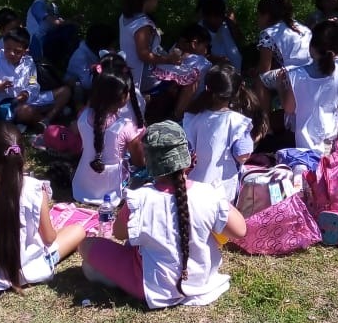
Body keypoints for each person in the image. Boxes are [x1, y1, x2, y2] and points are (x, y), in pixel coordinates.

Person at [78, 121, 247, 309]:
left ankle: (113, 279)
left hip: (152, 286)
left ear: (148, 160)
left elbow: (119, 233)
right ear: (187, 158)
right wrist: (219, 199)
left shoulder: (139, 198)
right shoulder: (207, 194)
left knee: (86, 245)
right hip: (202, 282)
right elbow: (240, 230)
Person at [0, 121, 86, 303]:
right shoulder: (34, 189)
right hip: (28, 269)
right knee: (77, 230)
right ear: (23, 154)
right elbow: (49, 239)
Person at [276, 20, 338, 154]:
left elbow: (289, 108)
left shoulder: (296, 75)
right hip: (331, 133)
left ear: (311, 46)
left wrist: (280, 87)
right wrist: (332, 31)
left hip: (305, 141)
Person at [183, 64, 261, 202]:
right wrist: (257, 138)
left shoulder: (193, 117)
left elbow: (185, 152)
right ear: (236, 91)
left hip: (195, 184)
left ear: (207, 88)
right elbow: (243, 155)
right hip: (223, 187)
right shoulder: (238, 122)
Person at [72, 66, 146, 206]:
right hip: (111, 189)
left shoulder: (83, 116)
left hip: (82, 184)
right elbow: (139, 162)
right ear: (122, 98)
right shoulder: (126, 126)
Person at [0, 27, 71, 130]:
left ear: (25, 51)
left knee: (65, 91)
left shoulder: (29, 62)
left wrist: (26, 93)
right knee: (26, 111)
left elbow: (33, 83)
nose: (11, 53)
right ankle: (48, 125)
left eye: (17, 51)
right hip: (7, 106)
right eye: (7, 49)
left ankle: (47, 119)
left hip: (28, 99)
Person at [119, 0, 182, 93]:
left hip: (127, 72)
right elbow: (144, 55)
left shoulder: (124, 17)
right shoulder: (142, 24)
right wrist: (169, 60)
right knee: (188, 75)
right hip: (142, 78)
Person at [152, 23, 214, 121]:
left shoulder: (172, 55)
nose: (207, 51)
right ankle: (177, 117)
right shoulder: (201, 62)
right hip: (191, 108)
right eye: (206, 46)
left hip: (167, 98)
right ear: (194, 44)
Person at [256, 0, 313, 73]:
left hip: (296, 75)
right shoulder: (299, 26)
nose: (257, 20)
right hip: (315, 70)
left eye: (258, 15)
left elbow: (264, 70)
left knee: (261, 78)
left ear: (266, 16)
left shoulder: (267, 34)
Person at [26, 0, 79, 65]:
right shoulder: (38, 4)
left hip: (50, 36)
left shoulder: (53, 6)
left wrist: (73, 19)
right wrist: (71, 22)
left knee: (70, 30)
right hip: (38, 39)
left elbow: (60, 22)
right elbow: (55, 22)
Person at [64, 22, 116, 97]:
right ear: (101, 46)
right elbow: (87, 84)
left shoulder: (94, 51)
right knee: (78, 87)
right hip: (76, 87)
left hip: (92, 83)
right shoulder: (80, 57)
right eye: (110, 46)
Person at [198, 0, 243, 71]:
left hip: (235, 73)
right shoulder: (198, 31)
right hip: (215, 75)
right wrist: (217, 60)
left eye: (221, 16)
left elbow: (240, 40)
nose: (220, 20)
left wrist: (233, 24)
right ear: (208, 16)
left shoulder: (226, 24)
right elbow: (196, 56)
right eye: (217, 16)